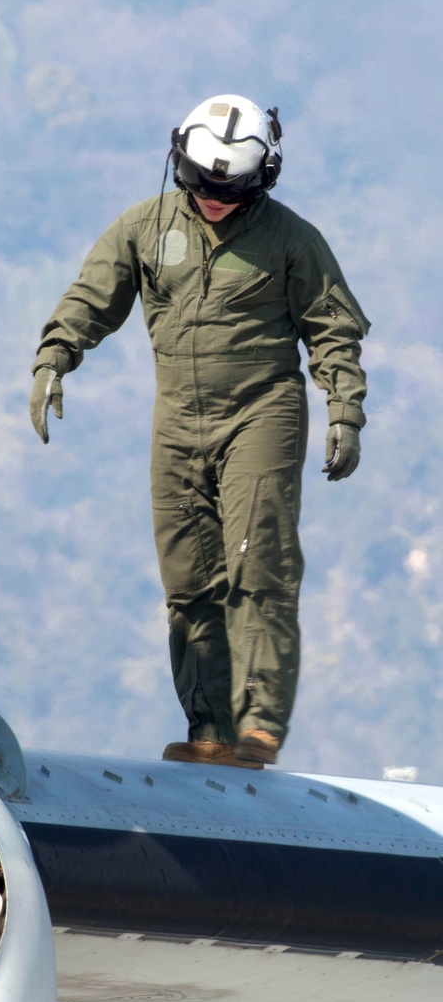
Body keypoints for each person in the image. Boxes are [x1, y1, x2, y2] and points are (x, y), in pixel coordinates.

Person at [29, 95, 369, 768]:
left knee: (257, 565)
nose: (213, 197)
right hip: (177, 419)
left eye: (230, 187)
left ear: (261, 178)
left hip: (262, 413)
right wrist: (54, 357)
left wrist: (345, 411)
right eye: (201, 182)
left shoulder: (291, 240)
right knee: (188, 579)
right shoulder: (146, 228)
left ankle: (260, 724)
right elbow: (92, 297)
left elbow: (335, 330)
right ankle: (209, 729)